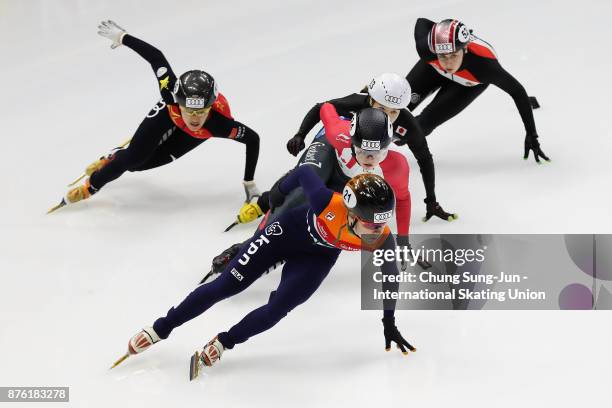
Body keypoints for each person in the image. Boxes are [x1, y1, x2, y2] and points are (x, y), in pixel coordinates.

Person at [116, 167, 415, 377]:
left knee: (276, 310)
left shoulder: (380, 237)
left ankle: (224, 342)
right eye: (370, 222)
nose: (376, 229)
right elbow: (303, 174)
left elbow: (391, 277)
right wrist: (277, 194)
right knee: (225, 287)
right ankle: (160, 328)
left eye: (381, 221)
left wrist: (388, 321)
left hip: (317, 258)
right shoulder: (327, 203)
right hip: (286, 233)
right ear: (351, 211)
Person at [52, 20, 261, 211]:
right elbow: (156, 57)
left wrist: (249, 183)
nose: (195, 118)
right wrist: (122, 37)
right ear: (179, 102)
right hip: (168, 115)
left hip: (194, 134)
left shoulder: (220, 125)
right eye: (189, 110)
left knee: (138, 167)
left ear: (210, 107)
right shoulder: (170, 92)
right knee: (133, 158)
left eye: (201, 111)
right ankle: (91, 186)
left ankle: (114, 156)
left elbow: (253, 139)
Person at [203, 105, 415, 283]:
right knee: (298, 196)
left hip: (346, 180)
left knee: (326, 216)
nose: (368, 159)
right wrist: (300, 134)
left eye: (376, 153)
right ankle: (244, 248)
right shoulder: (336, 132)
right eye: (360, 150)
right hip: (328, 153)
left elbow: (403, 200)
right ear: (350, 140)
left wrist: (403, 240)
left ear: (389, 146)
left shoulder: (397, 166)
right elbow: (325, 107)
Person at [284, 73, 456, 222]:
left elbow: (425, 159)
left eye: (394, 112)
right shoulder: (358, 101)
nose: (386, 116)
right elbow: (321, 108)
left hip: (361, 152)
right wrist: (300, 134)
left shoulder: (409, 126)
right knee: (308, 182)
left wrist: (431, 201)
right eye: (381, 108)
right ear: (370, 100)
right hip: (338, 136)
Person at [406, 18, 550, 163]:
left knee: (420, 127)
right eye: (443, 56)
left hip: (467, 84)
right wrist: (441, 31)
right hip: (433, 70)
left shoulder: (485, 67)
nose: (448, 63)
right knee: (394, 108)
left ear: (465, 48)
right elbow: (421, 22)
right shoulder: (427, 49)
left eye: (454, 55)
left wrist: (532, 134)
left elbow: (517, 92)